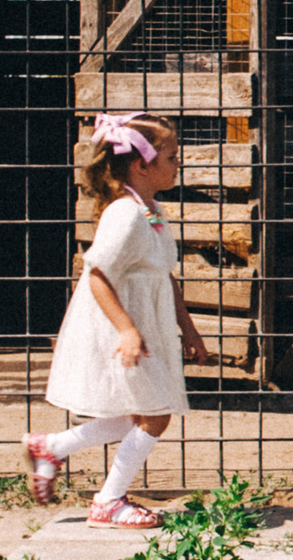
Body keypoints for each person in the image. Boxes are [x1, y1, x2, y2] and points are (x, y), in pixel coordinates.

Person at [26, 113, 209, 528]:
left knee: (141, 412)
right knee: (156, 412)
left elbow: (165, 274)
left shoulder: (151, 211)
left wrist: (189, 328)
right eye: (171, 156)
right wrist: (127, 329)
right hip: (120, 330)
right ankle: (108, 500)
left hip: (145, 326)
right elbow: (98, 275)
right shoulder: (124, 214)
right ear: (142, 164)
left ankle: (50, 446)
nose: (177, 163)